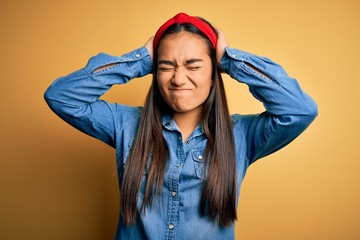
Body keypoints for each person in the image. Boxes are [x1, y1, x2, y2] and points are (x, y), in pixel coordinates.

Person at [44, 12, 318, 240]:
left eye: (193, 65)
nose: (178, 78)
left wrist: (231, 60)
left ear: (214, 73)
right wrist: (138, 59)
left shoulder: (240, 135)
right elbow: (62, 96)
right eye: (166, 66)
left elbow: (299, 110)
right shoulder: (126, 124)